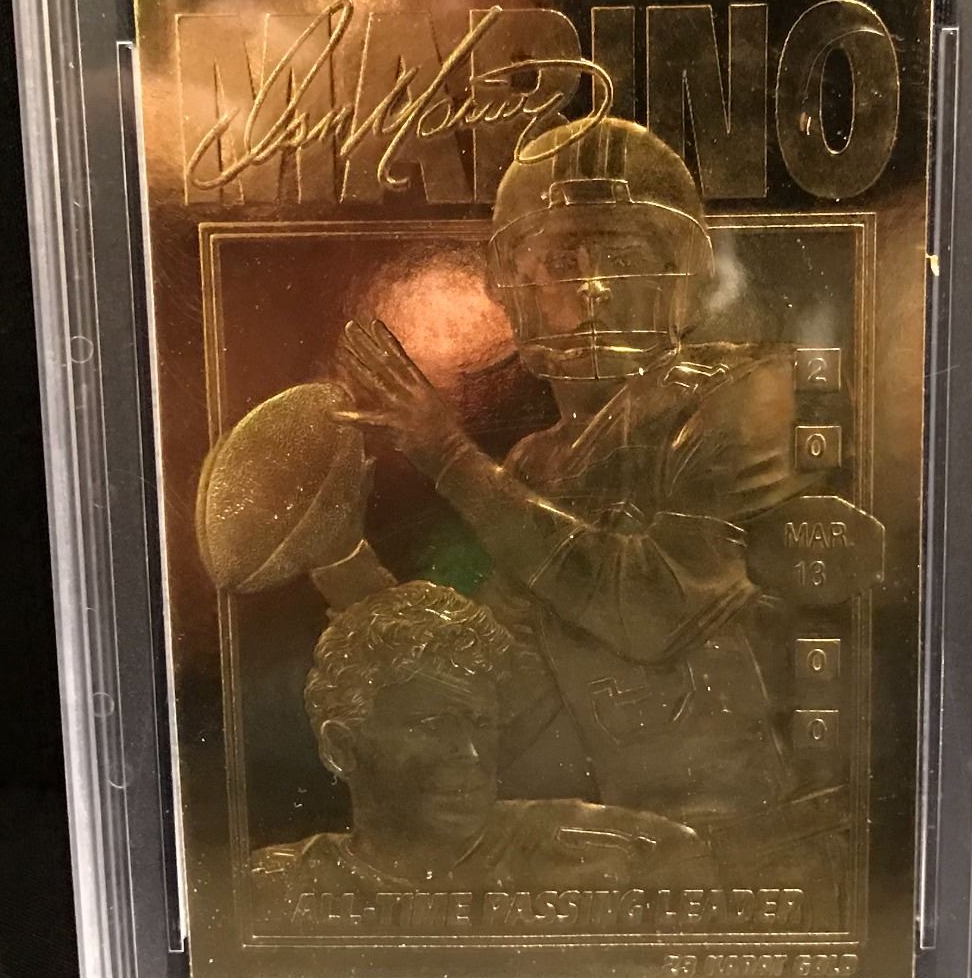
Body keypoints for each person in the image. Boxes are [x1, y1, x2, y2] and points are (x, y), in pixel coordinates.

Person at [337, 119, 849, 913]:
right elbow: (494, 679)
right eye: (563, 261)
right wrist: (342, 564)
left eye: (622, 255)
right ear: (513, 288)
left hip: (761, 846)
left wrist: (447, 456)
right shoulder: (533, 468)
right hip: (633, 853)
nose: (596, 288)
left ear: (677, 274)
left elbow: (649, 610)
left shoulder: (742, 395)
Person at [250, 579, 706, 909]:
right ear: (341, 748)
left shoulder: (628, 855)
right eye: (433, 726)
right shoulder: (273, 888)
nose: (472, 755)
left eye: (482, 723)